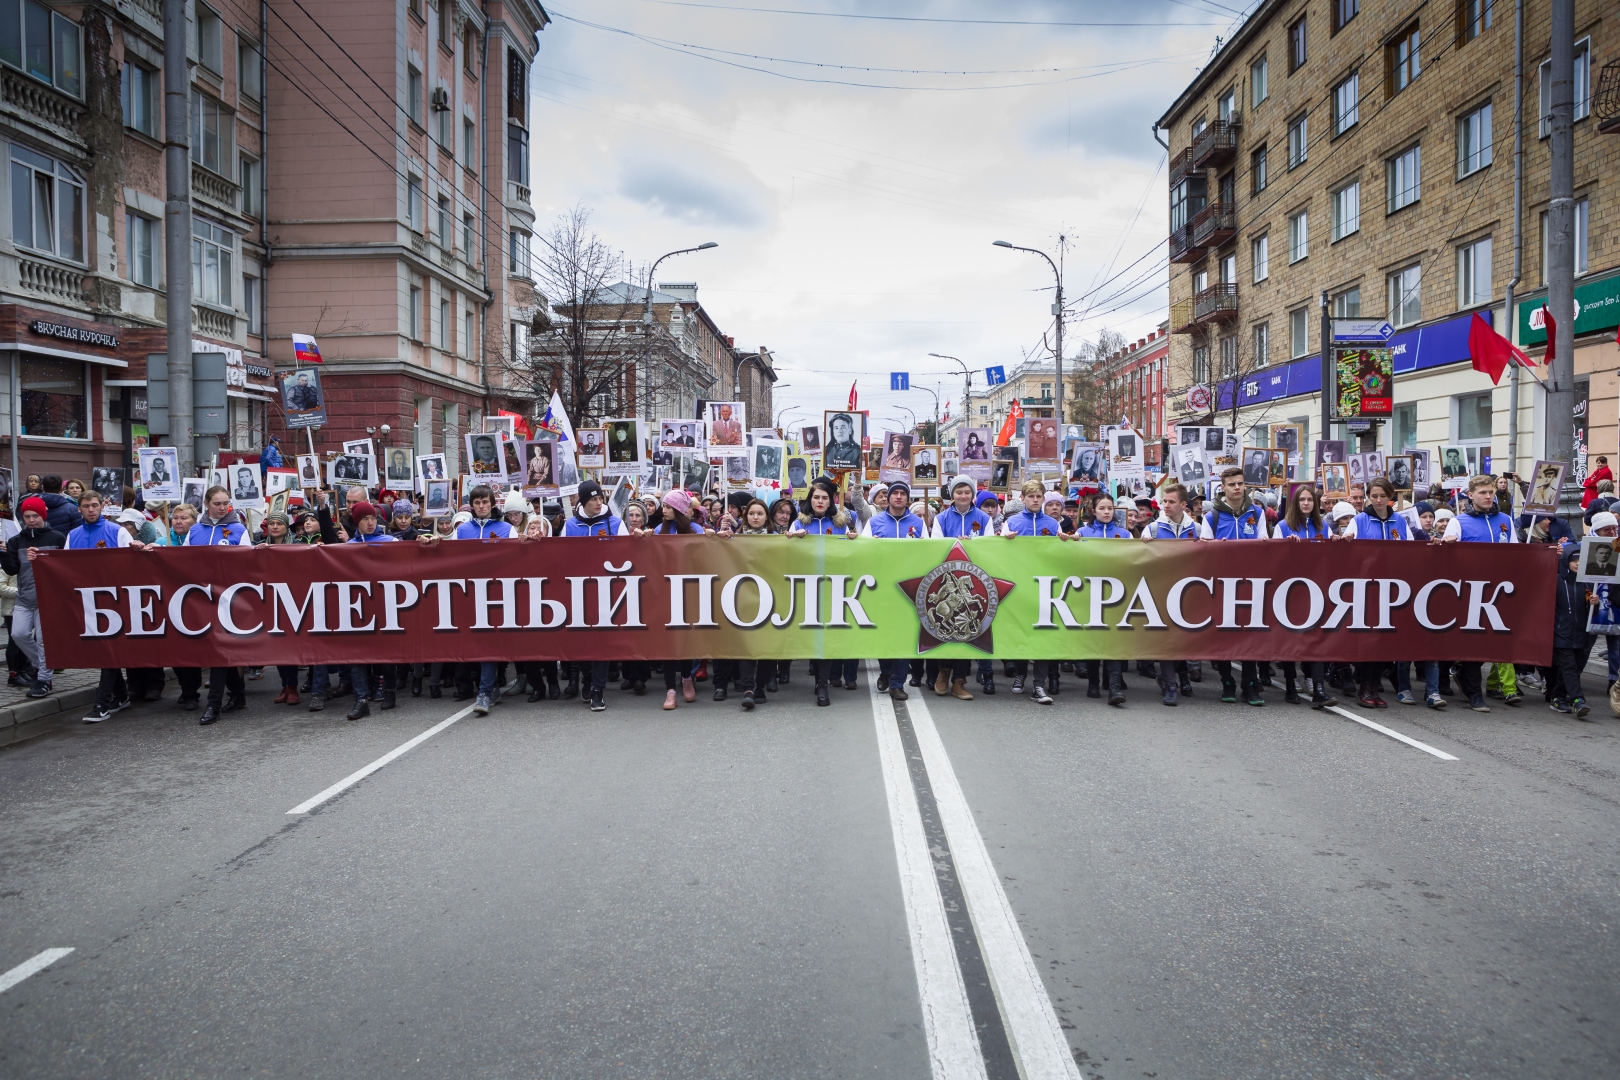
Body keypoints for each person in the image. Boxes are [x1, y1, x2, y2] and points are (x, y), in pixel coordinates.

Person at [1438, 474, 1517, 712]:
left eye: (1491, 492)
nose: (1488, 496)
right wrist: (1448, 544)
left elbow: (1517, 553)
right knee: (1473, 640)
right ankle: (1474, 693)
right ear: (1470, 495)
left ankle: (1462, 673)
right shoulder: (1459, 522)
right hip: (1469, 590)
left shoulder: (1505, 519)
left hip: (1498, 589)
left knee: (1493, 640)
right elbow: (1444, 558)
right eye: (1483, 492)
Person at [1199, 467, 1269, 706]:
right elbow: (1205, 552)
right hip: (1222, 584)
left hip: (1251, 583)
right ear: (1223, 488)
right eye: (1232, 484)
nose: (1237, 488)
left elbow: (1264, 546)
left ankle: (1250, 683)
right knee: (1225, 633)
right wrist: (1219, 547)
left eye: (1240, 483)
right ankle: (1227, 680)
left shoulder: (1257, 513)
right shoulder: (1211, 517)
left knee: (1249, 633)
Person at [182, 487, 252, 724]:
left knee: (218, 651)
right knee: (219, 650)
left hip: (229, 598)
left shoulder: (238, 529)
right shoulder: (194, 531)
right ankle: (239, 694)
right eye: (218, 503)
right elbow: (181, 562)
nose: (223, 508)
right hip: (202, 597)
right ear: (207, 503)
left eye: (226, 503)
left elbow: (247, 562)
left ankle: (214, 705)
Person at [927, 476, 993, 699]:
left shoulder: (983, 518)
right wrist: (954, 543)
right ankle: (943, 672)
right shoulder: (941, 518)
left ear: (972, 494)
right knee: (945, 628)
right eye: (958, 492)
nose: (963, 496)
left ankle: (959, 681)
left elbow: (991, 546)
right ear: (952, 494)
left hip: (974, 580)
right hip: (947, 579)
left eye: (967, 492)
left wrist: (974, 546)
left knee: (968, 630)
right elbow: (935, 545)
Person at [1000, 479, 1063, 704]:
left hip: (1046, 589)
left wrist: (1068, 543)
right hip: (1020, 587)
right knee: (1022, 634)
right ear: (1023, 499)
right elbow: (999, 553)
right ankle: (1020, 673)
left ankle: (1039, 685)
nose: (1035, 500)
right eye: (1031, 496)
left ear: (1043, 499)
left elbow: (1062, 556)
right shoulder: (1012, 522)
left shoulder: (1054, 525)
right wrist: (1002, 541)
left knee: (1043, 637)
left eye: (1039, 497)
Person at [0, 496, 64, 698]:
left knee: (44, 641)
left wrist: (43, 560)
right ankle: (43, 664)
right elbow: (12, 570)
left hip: (48, 600)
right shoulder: (16, 540)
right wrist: (2, 554)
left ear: (43, 515)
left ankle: (44, 680)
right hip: (25, 599)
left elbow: (64, 568)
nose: (31, 520)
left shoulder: (57, 537)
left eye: (35, 515)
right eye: (27, 516)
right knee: (18, 634)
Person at [1552, 542, 1593, 717]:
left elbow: (1590, 612)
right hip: (1562, 633)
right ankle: (1578, 700)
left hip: (1581, 634)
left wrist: (1593, 605)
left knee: (1572, 668)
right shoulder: (1557, 581)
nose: (1577, 563)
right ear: (1566, 561)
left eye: (1580, 559)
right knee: (1568, 667)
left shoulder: (1588, 584)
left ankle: (1557, 696)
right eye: (1573, 559)